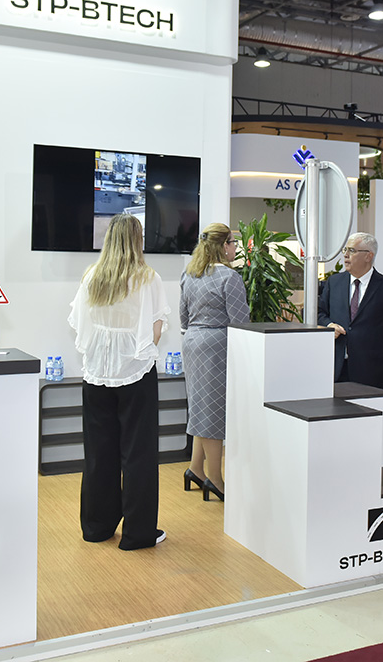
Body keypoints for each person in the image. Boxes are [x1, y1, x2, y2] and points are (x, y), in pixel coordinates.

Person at [68, 214, 169, 550]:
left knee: (99, 452)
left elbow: (78, 325)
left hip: (97, 374)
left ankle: (96, 527)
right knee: (138, 454)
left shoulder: (92, 275)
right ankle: (137, 534)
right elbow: (155, 330)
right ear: (137, 240)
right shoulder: (148, 278)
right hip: (136, 373)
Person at [179, 222, 249, 503]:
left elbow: (183, 318)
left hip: (192, 342)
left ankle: (195, 469)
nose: (235, 248)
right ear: (223, 246)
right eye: (233, 242)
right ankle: (215, 479)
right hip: (217, 346)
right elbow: (241, 321)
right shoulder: (229, 277)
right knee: (213, 413)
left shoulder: (190, 273)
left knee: (201, 408)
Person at [318, 232, 383, 389]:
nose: (346, 255)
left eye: (352, 250)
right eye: (345, 250)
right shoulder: (334, 282)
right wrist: (329, 325)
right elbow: (319, 312)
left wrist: (381, 346)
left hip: (372, 370)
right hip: (336, 367)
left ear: (369, 256)